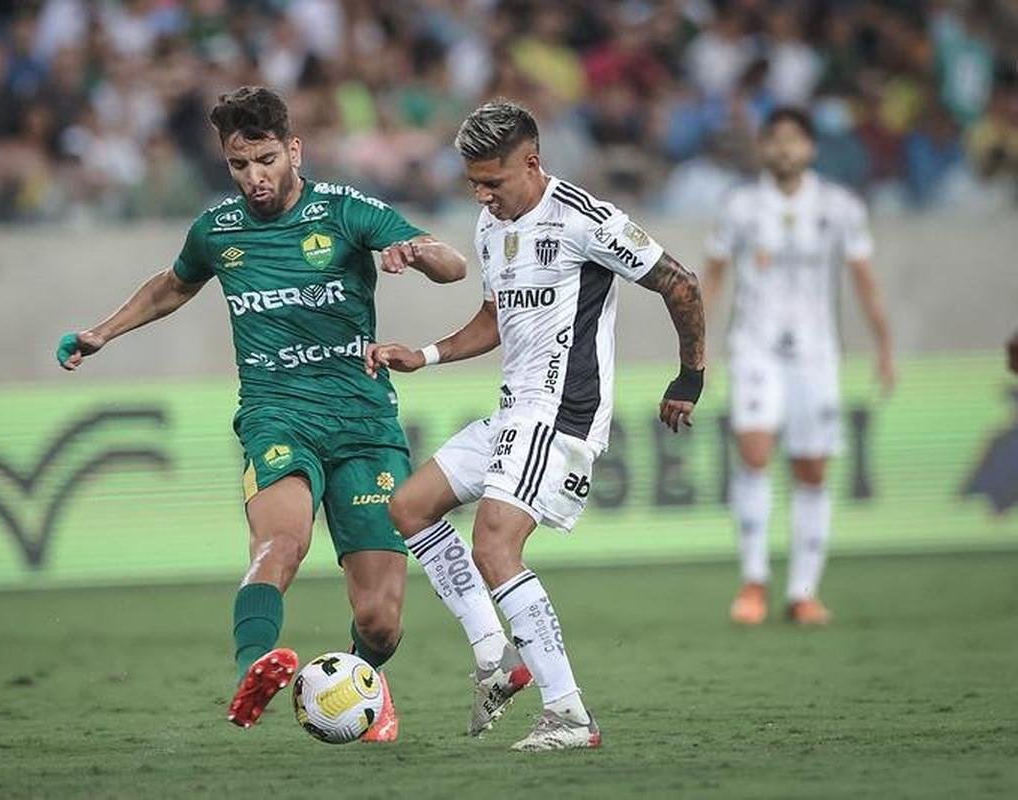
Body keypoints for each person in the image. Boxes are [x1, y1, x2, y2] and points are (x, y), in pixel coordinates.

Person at [56, 86, 467, 740]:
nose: (254, 177)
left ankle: (361, 682)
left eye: (266, 160)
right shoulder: (217, 230)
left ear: (294, 150)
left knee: (381, 621)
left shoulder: (345, 210)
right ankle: (254, 667)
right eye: (239, 165)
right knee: (281, 542)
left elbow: (454, 265)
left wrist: (416, 253)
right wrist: (102, 332)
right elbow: (172, 286)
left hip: (363, 425)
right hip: (276, 417)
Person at [367, 101, 705, 751]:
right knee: (409, 507)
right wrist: (426, 355)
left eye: (492, 181)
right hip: (514, 410)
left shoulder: (586, 219)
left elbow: (681, 284)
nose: (481, 196)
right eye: (473, 183)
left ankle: (568, 715)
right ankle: (493, 654)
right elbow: (494, 318)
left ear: (532, 162)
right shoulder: (490, 226)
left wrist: (688, 378)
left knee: (495, 547)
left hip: (562, 412)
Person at [702, 107, 894, 626]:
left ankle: (803, 591)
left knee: (812, 470)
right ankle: (754, 582)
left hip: (816, 353)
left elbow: (864, 279)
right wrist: (699, 348)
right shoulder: (740, 205)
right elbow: (713, 277)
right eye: (775, 139)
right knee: (754, 453)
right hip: (754, 348)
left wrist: (884, 345)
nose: (784, 148)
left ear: (810, 148)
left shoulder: (839, 206)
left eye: (794, 139)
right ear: (762, 147)